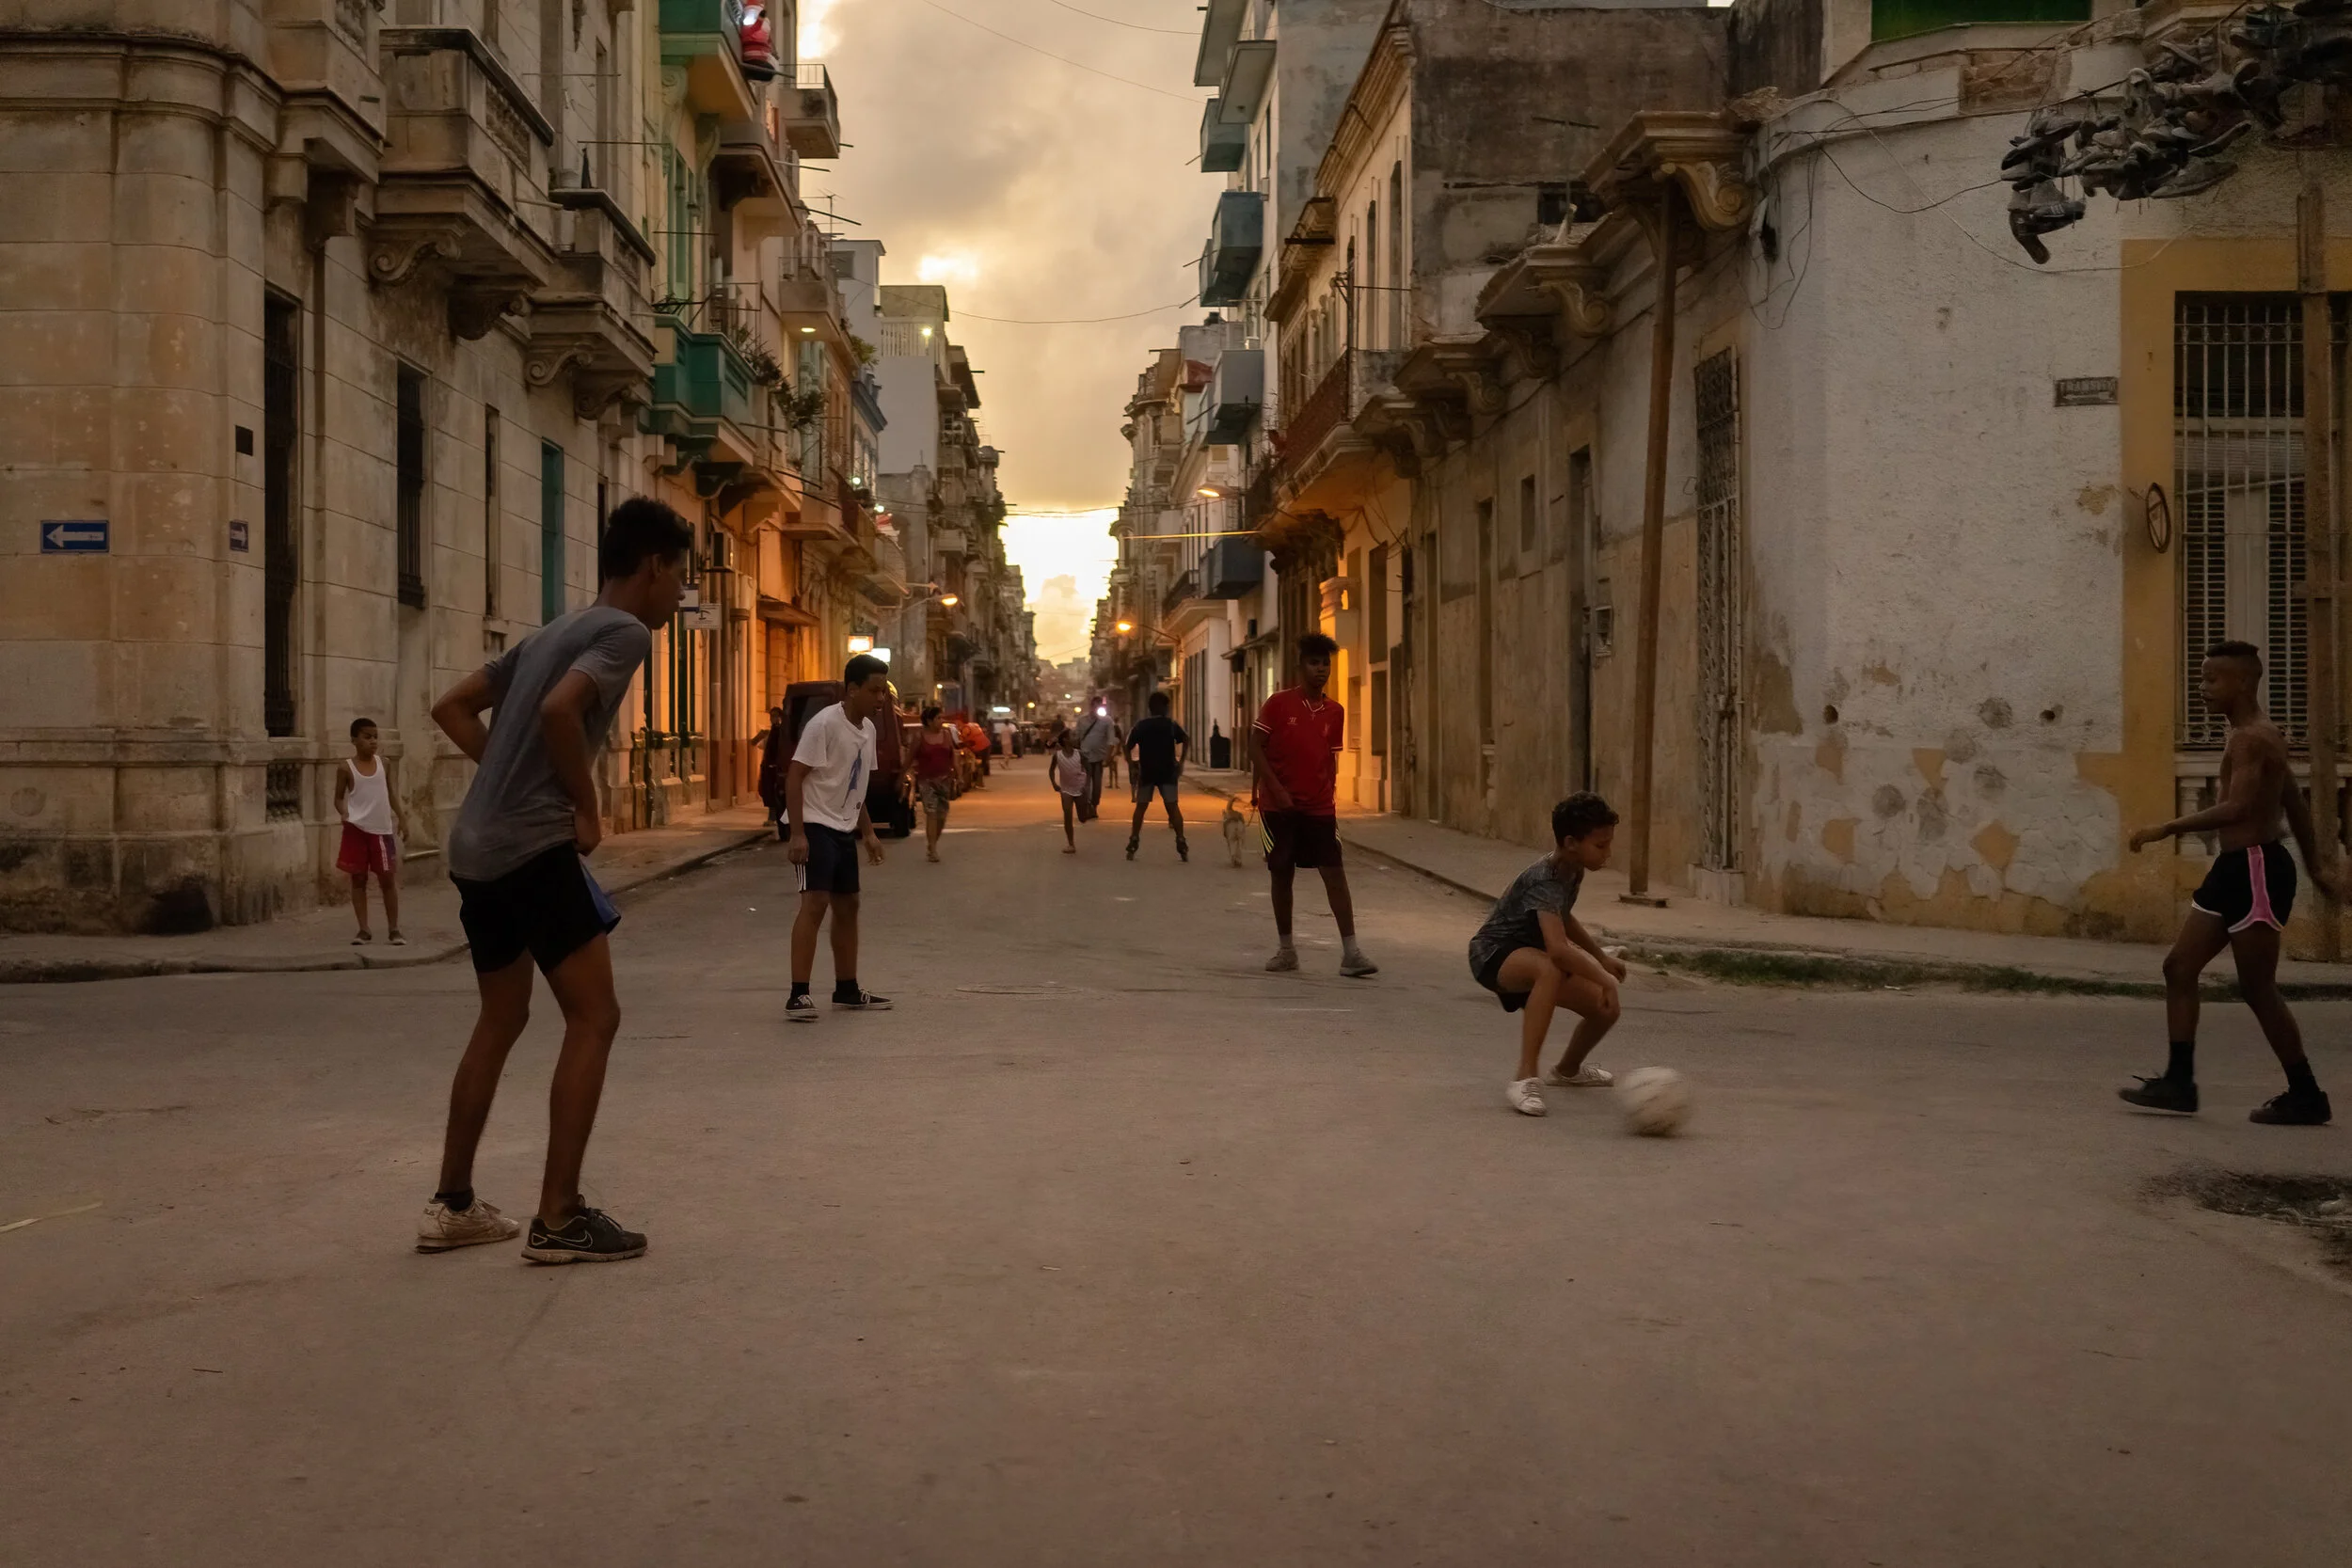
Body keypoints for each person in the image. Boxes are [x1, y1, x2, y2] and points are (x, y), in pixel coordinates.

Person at [418, 495, 691, 1264]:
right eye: (680, 577)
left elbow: (452, 707)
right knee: (594, 1018)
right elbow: (562, 712)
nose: (680, 594)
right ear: (653, 565)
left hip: (476, 849)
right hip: (531, 852)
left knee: (501, 1019)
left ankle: (453, 1203)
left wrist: (508, 781)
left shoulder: (551, 632)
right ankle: (559, 1215)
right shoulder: (623, 631)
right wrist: (583, 803)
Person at [2122, 640, 2336, 1125]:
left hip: (2257, 867)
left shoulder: (2254, 738)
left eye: (2211, 679)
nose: (2202, 689)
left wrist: (2166, 828)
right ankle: (2179, 1084)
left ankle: (2306, 1093)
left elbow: (2241, 808)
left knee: (2257, 987)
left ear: (2242, 682)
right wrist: (2319, 866)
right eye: (2201, 679)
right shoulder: (2250, 734)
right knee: (2178, 968)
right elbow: (2294, 803)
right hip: (2234, 868)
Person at [1470, 794, 1629, 1117]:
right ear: (1571, 842)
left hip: (1532, 955)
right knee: (1552, 968)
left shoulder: (1573, 869)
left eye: (1609, 844)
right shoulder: (1545, 877)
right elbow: (1558, 950)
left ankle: (1568, 1070)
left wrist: (1600, 958)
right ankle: (1525, 1077)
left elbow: (1562, 917)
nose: (1608, 854)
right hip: (1493, 955)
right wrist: (1605, 978)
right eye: (1600, 846)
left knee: (1605, 1008)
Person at [1255, 633, 1376, 978]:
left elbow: (1329, 759)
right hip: (1278, 808)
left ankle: (1351, 953)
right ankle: (1286, 949)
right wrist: (1275, 789)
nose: (1320, 669)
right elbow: (1255, 747)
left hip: (1320, 808)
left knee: (1334, 873)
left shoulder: (1334, 711)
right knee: (1281, 873)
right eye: (1314, 662)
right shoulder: (1278, 704)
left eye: (1325, 663)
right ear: (1301, 666)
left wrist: (1329, 793)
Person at [786, 654, 894, 1023]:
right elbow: (794, 776)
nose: (881, 699)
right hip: (815, 824)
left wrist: (868, 833)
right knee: (814, 904)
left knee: (848, 907)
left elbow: (856, 785)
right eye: (875, 691)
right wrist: (797, 834)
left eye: (884, 693)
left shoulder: (868, 730)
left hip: (844, 827)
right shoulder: (825, 724)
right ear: (852, 689)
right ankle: (798, 994)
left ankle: (846, 988)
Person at [335, 716, 408, 946]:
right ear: (354, 740)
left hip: (382, 829)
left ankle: (394, 929)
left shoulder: (384, 764)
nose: (373, 741)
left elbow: (391, 793)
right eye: (367, 737)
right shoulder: (345, 768)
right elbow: (337, 797)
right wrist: (344, 813)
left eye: (375, 737)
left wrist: (403, 819)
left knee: (387, 879)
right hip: (356, 829)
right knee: (358, 879)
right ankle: (364, 930)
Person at [1124, 690, 1190, 862]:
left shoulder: (1141, 725)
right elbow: (1186, 739)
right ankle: (1181, 839)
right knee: (1172, 807)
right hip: (1168, 772)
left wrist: (1132, 765)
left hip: (1147, 772)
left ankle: (1134, 838)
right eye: (1167, 706)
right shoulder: (1170, 725)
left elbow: (1127, 745)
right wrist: (1181, 762)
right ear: (1162, 707)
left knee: (1141, 807)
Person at [912, 704, 957, 863]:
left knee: (942, 815)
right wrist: (902, 775)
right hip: (927, 781)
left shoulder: (946, 734)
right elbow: (911, 757)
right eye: (938, 718)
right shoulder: (920, 737)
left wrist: (957, 773)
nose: (942, 721)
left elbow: (953, 755)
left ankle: (932, 844)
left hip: (945, 780)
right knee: (931, 813)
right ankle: (933, 849)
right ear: (929, 721)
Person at [1049, 727, 1089, 852]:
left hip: (1080, 787)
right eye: (1072, 735)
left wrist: (1086, 786)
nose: (1075, 738)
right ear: (1066, 740)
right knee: (1067, 815)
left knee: (1082, 818)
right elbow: (1051, 771)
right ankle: (1071, 844)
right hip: (1066, 789)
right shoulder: (1058, 755)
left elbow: (1089, 770)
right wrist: (1054, 784)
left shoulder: (1080, 754)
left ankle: (1086, 807)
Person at [1074, 702, 1116, 820]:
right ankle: (1087, 807)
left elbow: (1111, 740)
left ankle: (1094, 805)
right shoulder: (1082, 720)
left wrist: (1108, 757)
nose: (1096, 709)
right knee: (1085, 784)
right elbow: (1076, 737)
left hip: (1099, 759)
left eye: (1099, 707)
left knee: (1097, 785)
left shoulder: (1107, 721)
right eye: (1094, 706)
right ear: (1091, 707)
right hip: (1085, 757)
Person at [755, 704, 788, 840]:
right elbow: (757, 744)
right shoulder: (771, 732)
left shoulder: (781, 732)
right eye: (771, 716)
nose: (773, 719)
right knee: (768, 793)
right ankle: (773, 817)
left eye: (775, 716)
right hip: (769, 768)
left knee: (777, 796)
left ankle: (777, 820)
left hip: (777, 769)